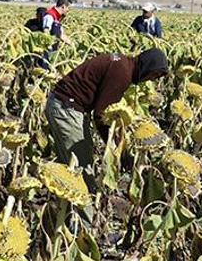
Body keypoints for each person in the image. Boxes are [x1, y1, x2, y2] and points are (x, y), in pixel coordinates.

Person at [46, 48, 168, 191]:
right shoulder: (122, 73)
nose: (151, 79)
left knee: (69, 162)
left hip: (62, 103)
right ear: (148, 66)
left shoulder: (122, 63)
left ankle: (64, 207)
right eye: (154, 75)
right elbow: (100, 115)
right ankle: (85, 209)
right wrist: (116, 149)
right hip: (67, 108)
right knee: (81, 168)